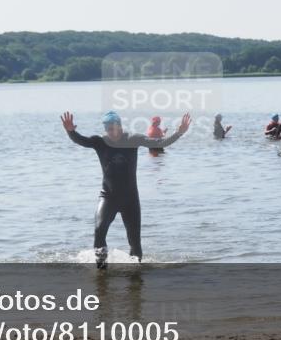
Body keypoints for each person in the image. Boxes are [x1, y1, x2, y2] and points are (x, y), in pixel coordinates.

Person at [61, 110, 190, 269]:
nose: (112, 131)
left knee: (135, 242)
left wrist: (179, 133)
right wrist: (70, 131)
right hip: (108, 197)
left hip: (130, 200)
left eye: (114, 127)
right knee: (99, 230)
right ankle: (102, 272)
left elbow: (159, 143)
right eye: (108, 128)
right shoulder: (100, 141)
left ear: (120, 126)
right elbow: (80, 140)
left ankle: (135, 279)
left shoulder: (133, 139)